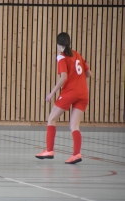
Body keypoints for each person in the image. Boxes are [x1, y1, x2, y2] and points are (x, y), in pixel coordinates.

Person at [35, 32, 92, 164]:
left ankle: (49, 150)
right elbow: (89, 73)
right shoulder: (77, 54)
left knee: (51, 119)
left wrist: (51, 93)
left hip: (70, 92)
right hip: (83, 93)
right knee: (74, 126)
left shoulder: (61, 57)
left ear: (58, 44)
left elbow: (64, 78)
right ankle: (76, 154)